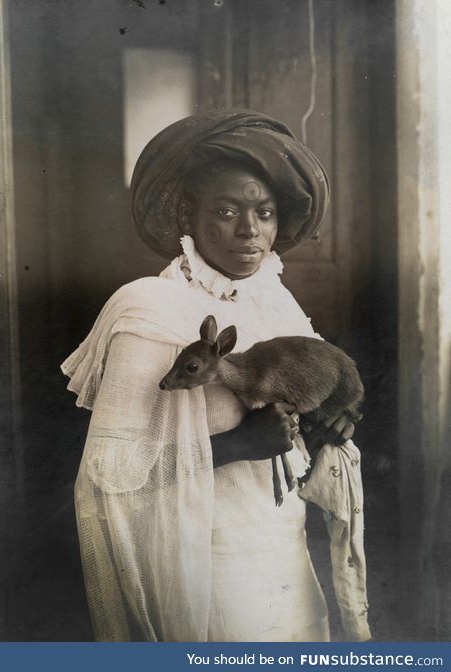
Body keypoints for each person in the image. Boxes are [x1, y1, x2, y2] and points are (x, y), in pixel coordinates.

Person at [62, 109, 371, 642]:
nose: (250, 231)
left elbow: (308, 403)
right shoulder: (148, 309)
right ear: (188, 211)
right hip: (205, 565)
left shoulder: (277, 302)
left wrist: (328, 426)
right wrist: (236, 445)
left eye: (266, 213)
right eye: (228, 210)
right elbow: (109, 478)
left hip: (285, 553)